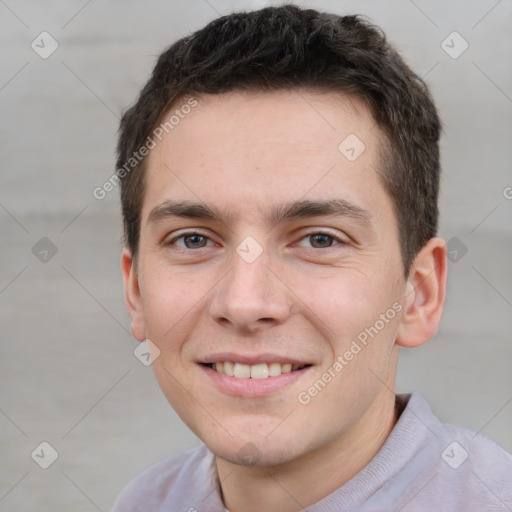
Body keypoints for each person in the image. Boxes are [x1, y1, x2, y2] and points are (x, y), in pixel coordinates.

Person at [112, 5, 512, 511]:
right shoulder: (145, 502)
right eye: (194, 240)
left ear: (418, 294)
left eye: (320, 240)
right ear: (137, 292)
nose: (244, 302)